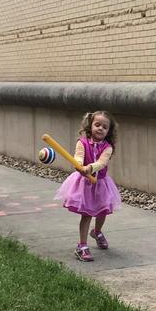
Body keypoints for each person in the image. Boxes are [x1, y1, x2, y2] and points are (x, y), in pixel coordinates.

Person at [55, 110, 121, 262]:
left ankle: (97, 232)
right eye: (97, 125)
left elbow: (102, 162)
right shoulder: (82, 143)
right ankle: (82, 246)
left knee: (103, 212)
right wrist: (79, 165)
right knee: (87, 215)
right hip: (84, 185)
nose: (100, 128)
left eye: (104, 127)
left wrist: (90, 168)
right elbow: (78, 157)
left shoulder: (108, 147)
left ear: (108, 131)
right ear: (90, 125)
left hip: (101, 183)